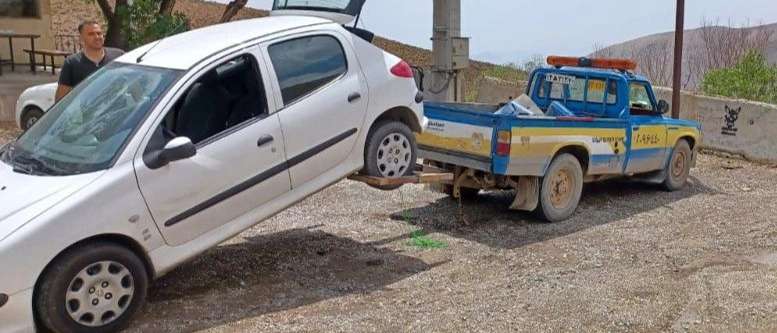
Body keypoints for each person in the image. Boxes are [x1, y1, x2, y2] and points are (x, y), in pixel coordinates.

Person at [55, 20, 125, 102]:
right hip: (90, 113)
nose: (97, 37)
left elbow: (134, 82)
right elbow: (61, 98)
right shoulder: (72, 63)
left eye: (99, 33)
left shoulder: (118, 56)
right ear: (81, 38)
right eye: (91, 34)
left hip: (122, 111)